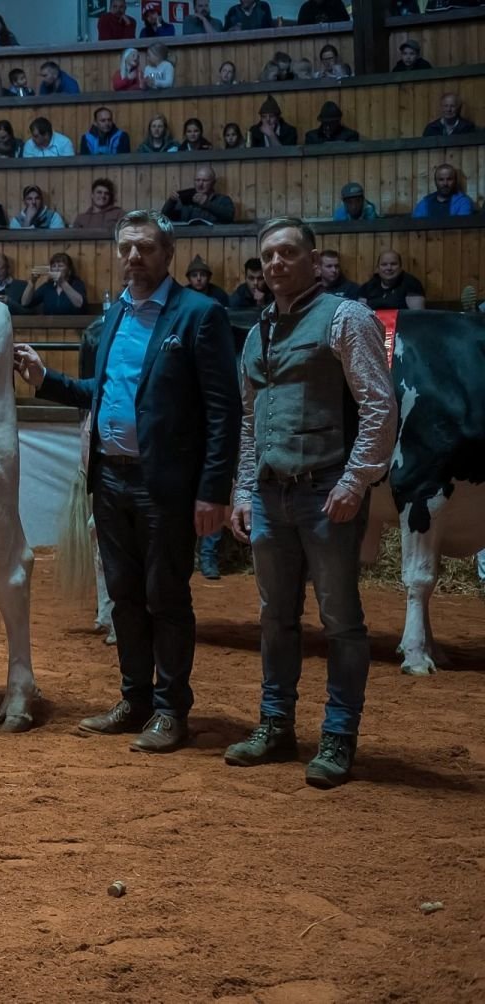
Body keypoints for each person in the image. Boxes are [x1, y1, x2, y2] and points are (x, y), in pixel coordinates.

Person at [15, 210, 239, 755]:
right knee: (123, 597)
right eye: (125, 248)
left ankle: (170, 710)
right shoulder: (114, 314)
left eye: (145, 248)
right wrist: (46, 380)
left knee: (166, 597)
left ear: (168, 254)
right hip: (111, 479)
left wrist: (213, 491)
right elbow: (100, 391)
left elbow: (223, 411)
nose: (133, 257)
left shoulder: (200, 314)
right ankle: (135, 700)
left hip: (166, 485)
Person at [225, 217, 396, 789]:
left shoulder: (346, 317)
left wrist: (355, 481)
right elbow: (250, 420)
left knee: (340, 620)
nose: (276, 263)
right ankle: (276, 725)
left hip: (327, 492)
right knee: (275, 617)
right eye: (267, 256)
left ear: (314, 258)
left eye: (288, 253)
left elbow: (379, 404)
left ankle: (339, 735)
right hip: (271, 493)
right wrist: (244, 489)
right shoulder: (256, 332)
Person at [162, 166, 236, 226]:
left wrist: (207, 204)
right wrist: (171, 202)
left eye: (205, 181)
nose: (200, 184)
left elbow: (229, 217)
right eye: (197, 180)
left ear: (213, 182)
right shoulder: (186, 199)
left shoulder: (222, 200)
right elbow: (164, 217)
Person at [359, 251, 427, 310]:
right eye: (384, 264)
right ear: (378, 268)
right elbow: (360, 314)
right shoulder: (368, 286)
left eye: (393, 264)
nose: (389, 268)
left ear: (400, 267)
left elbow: (417, 316)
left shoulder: (412, 284)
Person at [23, 253, 87, 315]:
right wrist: (32, 281)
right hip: (49, 322)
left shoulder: (77, 284)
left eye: (60, 266)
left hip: (74, 322)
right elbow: (25, 303)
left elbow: (79, 304)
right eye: (54, 266)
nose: (56, 269)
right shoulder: (47, 286)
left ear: (69, 270)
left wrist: (62, 282)